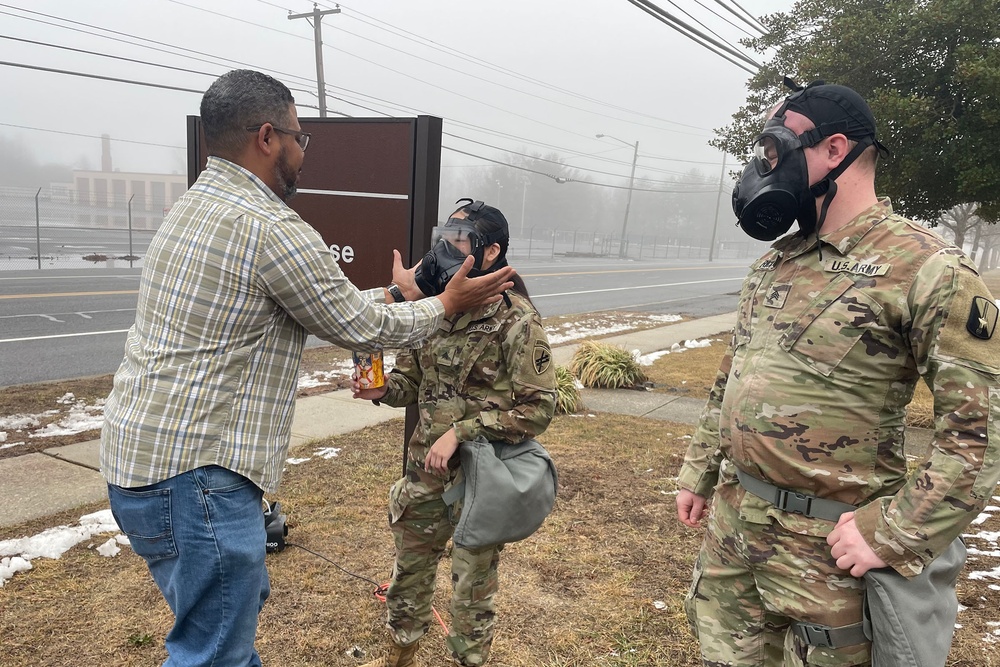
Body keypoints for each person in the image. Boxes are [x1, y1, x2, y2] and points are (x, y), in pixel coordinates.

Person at [100, 70, 515, 667]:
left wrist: (402, 298)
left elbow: (324, 304)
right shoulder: (269, 227)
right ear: (267, 137)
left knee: (218, 628)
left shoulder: (193, 208)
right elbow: (359, 327)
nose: (303, 151)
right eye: (299, 137)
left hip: (141, 464)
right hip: (197, 477)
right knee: (215, 650)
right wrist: (445, 304)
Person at [675, 79, 1000, 666]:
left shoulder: (927, 270)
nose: (763, 167)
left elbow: (979, 436)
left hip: (831, 560)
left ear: (834, 150)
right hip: (736, 536)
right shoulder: (777, 264)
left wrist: (894, 533)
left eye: (775, 151)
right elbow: (732, 377)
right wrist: (698, 472)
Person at [352, 199, 557, 667]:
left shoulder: (516, 320)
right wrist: (380, 385)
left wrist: (463, 432)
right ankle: (399, 657)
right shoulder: (434, 311)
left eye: (459, 241)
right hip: (425, 477)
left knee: (471, 593)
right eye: (442, 238)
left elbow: (538, 408)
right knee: (408, 578)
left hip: (480, 483)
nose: (444, 249)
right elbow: (412, 384)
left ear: (489, 253)